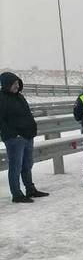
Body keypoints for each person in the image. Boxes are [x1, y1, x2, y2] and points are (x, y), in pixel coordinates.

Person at [0, 72, 49, 203]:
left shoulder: (20, 97)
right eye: (14, 84)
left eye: (17, 83)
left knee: (27, 164)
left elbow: (27, 114)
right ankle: (16, 194)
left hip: (27, 136)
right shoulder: (2, 99)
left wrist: (32, 128)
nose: (17, 86)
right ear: (6, 84)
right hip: (14, 138)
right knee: (16, 166)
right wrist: (13, 134)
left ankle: (30, 189)